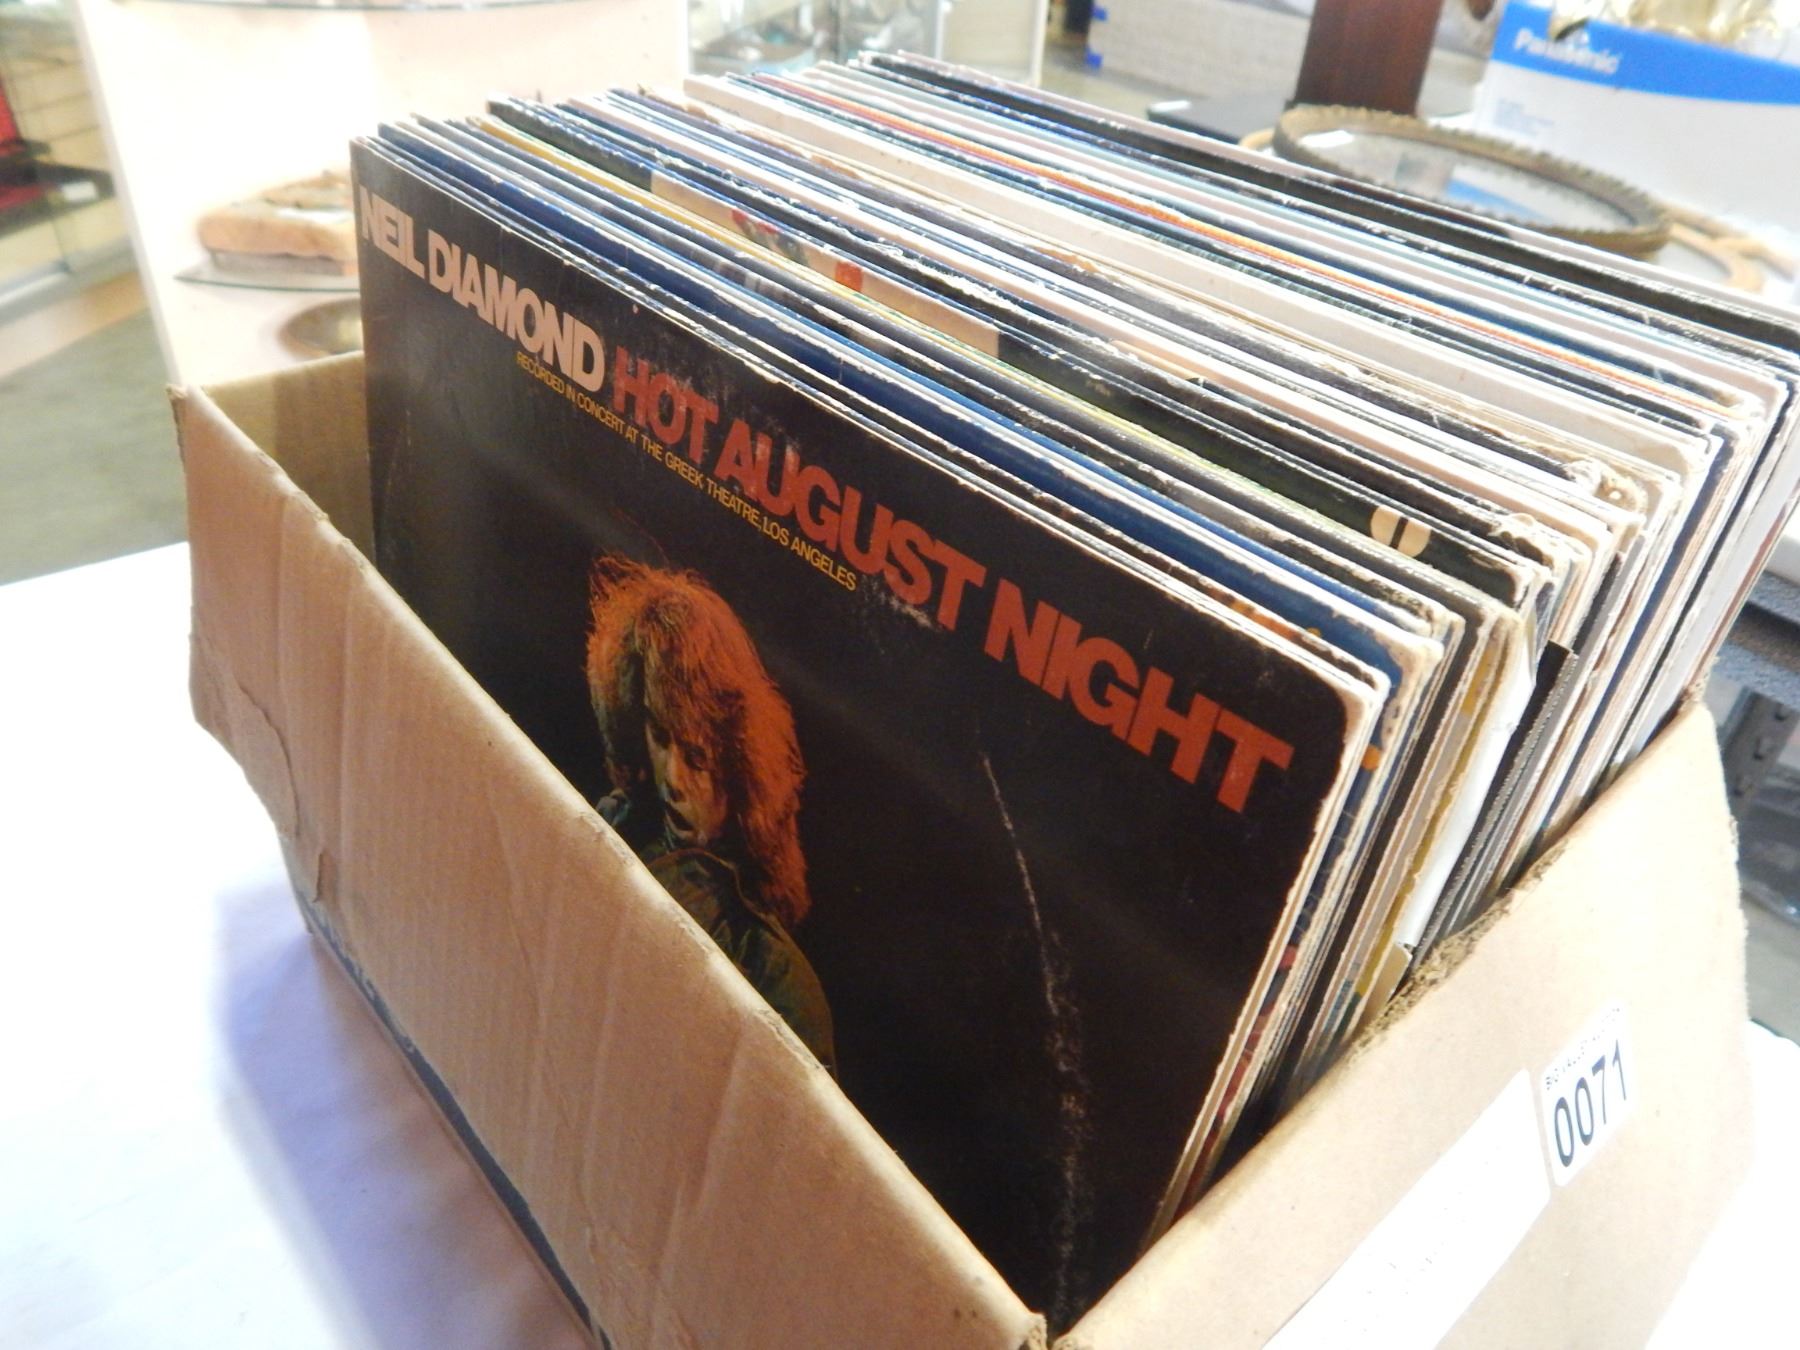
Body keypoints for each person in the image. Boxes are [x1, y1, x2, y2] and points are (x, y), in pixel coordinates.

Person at [585, 556, 836, 1072]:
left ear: (737, 765)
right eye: (660, 737)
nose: (674, 779)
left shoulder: (777, 978)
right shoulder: (609, 824)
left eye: (697, 756)